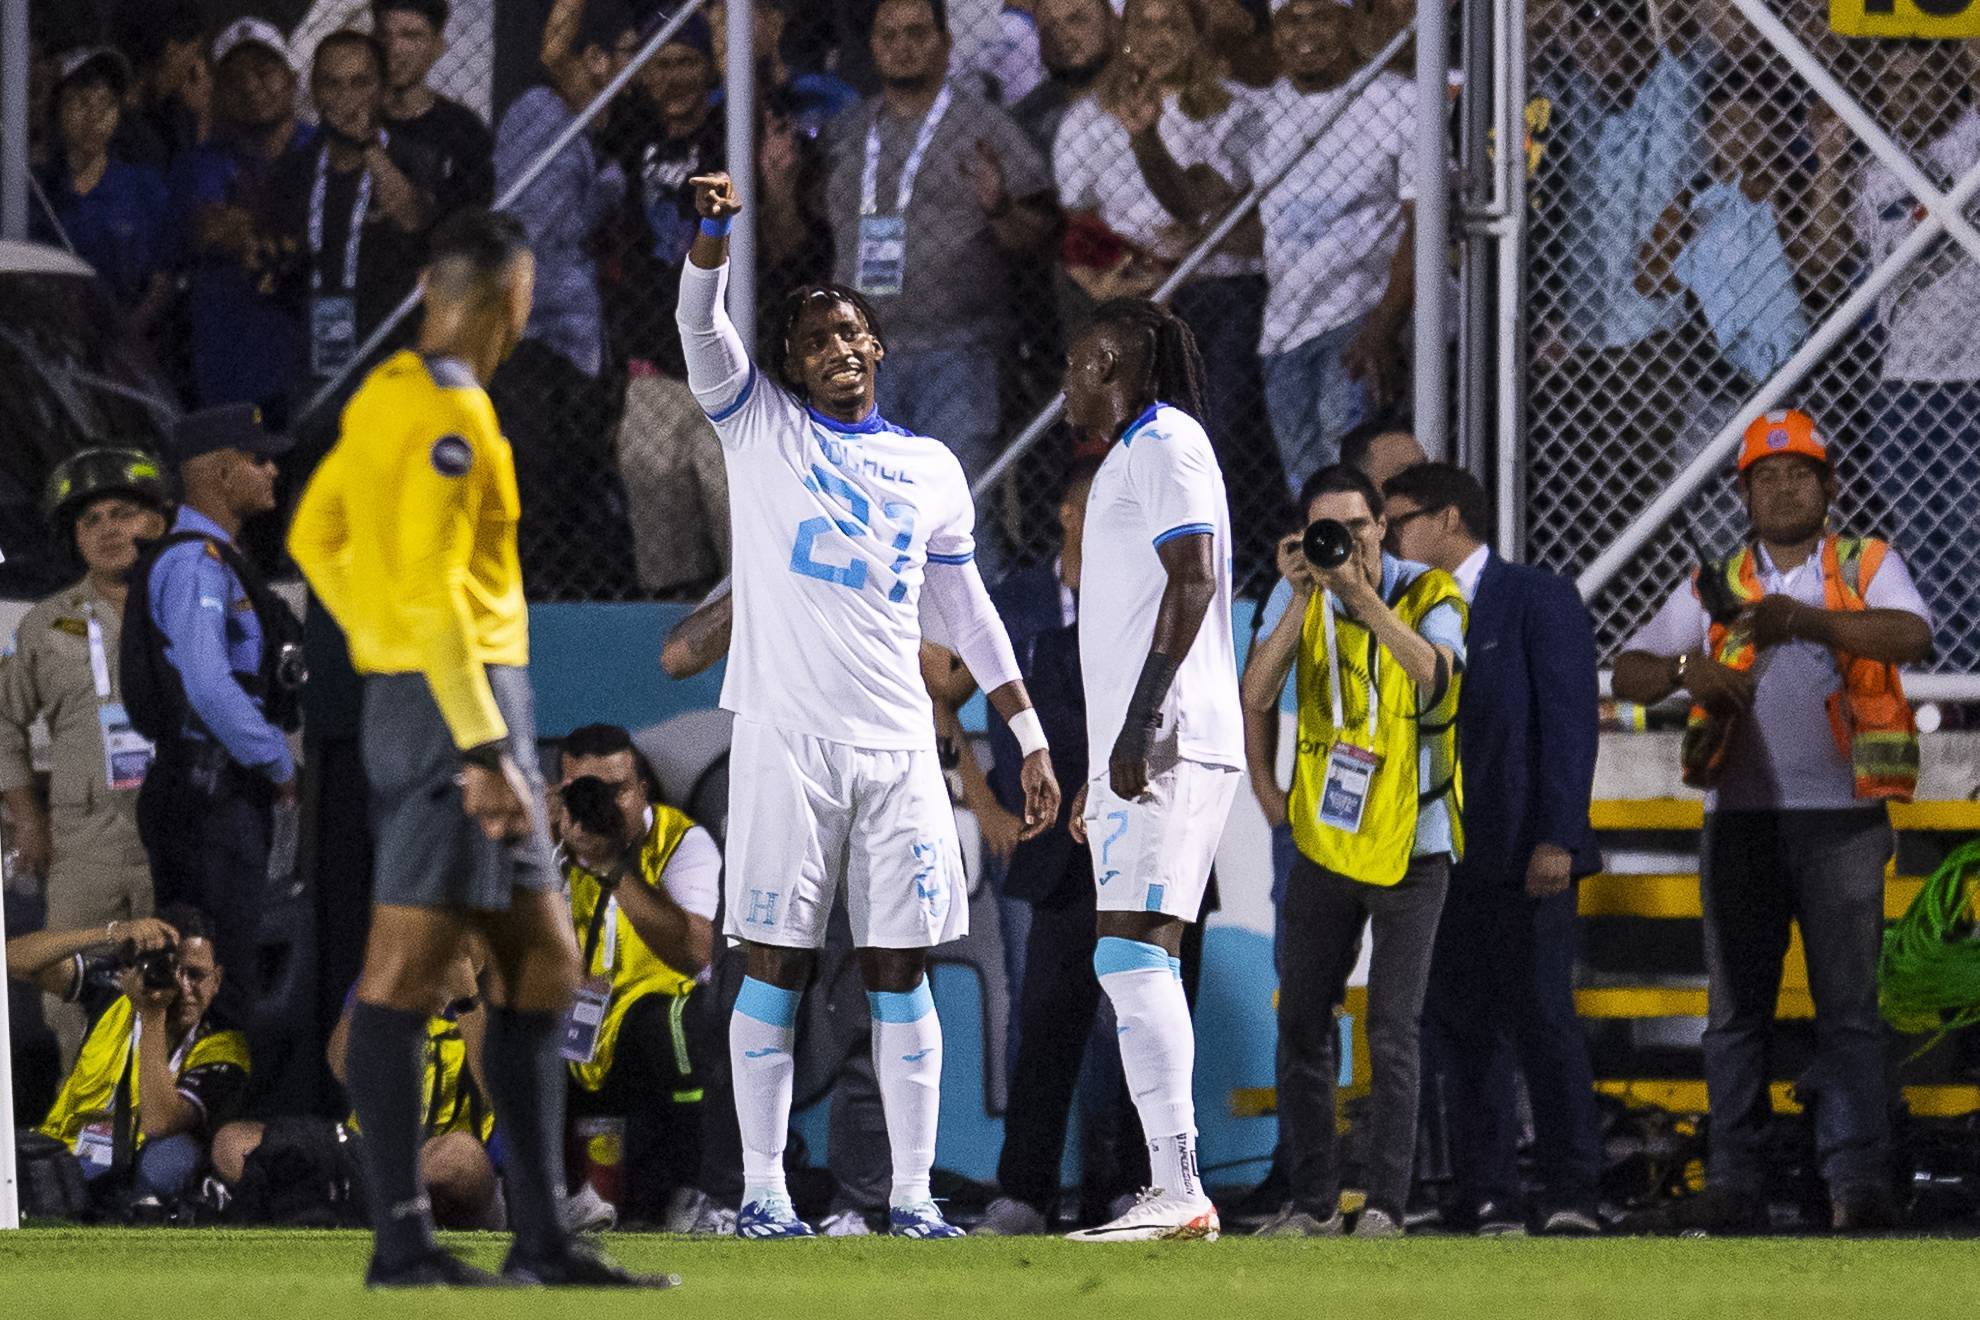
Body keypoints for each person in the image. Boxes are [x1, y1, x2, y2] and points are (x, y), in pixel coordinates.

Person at [286, 208, 670, 1288]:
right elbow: (446, 592)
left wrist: (381, 639)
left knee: (542, 965)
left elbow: (317, 533)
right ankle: (403, 1240)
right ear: (513, 296)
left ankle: (541, 1239)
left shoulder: (384, 400)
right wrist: (485, 745)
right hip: (461, 713)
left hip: (428, 695)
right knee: (404, 977)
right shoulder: (455, 412)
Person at [676, 168, 1060, 1239]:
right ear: (789, 368)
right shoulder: (757, 430)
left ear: (878, 347)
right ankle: (760, 1192)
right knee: (776, 963)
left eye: (852, 331)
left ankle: (910, 1197)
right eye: (814, 339)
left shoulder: (932, 468)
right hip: (786, 743)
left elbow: (968, 609)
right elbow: (698, 325)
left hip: (899, 752)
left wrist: (1025, 730)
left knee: (902, 971)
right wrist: (710, 233)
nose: (838, 346)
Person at [1612, 409, 1933, 1234]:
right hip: (1743, 821)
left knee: (1850, 1010)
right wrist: (1691, 667)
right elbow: (1631, 672)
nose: (1784, 487)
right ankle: (1735, 1182)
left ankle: (1857, 1184)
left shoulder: (1864, 563)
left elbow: (1912, 635)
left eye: (1799, 473)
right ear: (1744, 493)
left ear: (1829, 486)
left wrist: (1811, 622)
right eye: (1767, 475)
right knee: (1735, 1014)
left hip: (1845, 821)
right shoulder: (1714, 585)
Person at [1054, 298, 1241, 1244]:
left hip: (1167, 737)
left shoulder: (1167, 442)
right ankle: (1174, 1188)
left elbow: (1196, 577)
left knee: (1131, 955)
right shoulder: (1139, 450)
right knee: (1136, 956)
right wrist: (1103, 758)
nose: (1063, 386)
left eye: (1073, 364)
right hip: (1153, 739)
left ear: (1108, 362)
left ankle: (1178, 1188)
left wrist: (1138, 725)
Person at [1240, 463, 1465, 1239]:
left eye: (1359, 527)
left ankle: (1385, 1209)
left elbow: (1435, 682)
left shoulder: (1431, 592)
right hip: (1326, 842)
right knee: (1302, 1019)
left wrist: (1362, 598)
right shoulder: (1300, 590)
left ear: (1383, 527)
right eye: (1325, 530)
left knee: (1392, 1030)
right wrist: (1306, 592)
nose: (1345, 542)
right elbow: (1258, 690)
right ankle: (1309, 1204)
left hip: (1414, 843)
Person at [1382, 462, 1605, 1237]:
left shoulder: (1536, 597)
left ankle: (1573, 1189)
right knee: (1460, 1027)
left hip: (1523, 855)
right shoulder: (1402, 608)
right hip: (1439, 857)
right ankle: (1488, 1193)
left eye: (1398, 519)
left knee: (1543, 1020)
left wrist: (1560, 838)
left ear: (1448, 520)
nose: (1386, 535)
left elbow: (1570, 725)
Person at [1051, 0, 1279, 574]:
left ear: (1198, 33)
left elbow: (1257, 225)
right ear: (1124, 35)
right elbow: (1077, 225)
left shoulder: (1241, 111)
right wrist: (1112, 276)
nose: (1156, 38)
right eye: (1143, 24)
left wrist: (1198, 243)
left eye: (1172, 24)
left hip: (1216, 293)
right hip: (1125, 300)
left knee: (1214, 433)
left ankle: (1222, 561)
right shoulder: (1087, 119)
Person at [823, 0, 1057, 482]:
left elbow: (1038, 237)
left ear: (946, 44)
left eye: (916, 33)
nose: (902, 47)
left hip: (959, 355)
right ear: (872, 47)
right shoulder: (844, 133)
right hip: (861, 356)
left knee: (960, 518)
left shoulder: (985, 127)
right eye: (889, 35)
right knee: (872, 521)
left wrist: (999, 208)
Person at [131, 405, 301, 1033]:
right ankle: (196, 1125)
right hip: (206, 799)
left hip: (214, 795)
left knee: (220, 981)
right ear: (224, 475)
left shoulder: (219, 558)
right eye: (259, 458)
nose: (273, 470)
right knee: (210, 986)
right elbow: (207, 683)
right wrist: (276, 760)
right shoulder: (195, 563)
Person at [1, 451, 173, 1065]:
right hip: (84, 837)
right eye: (89, 520)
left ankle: (171, 1133)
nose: (106, 530)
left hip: (174, 831)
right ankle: (88, 1137)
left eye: (122, 512)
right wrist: (26, 815)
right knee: (69, 990)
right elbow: (3, 721)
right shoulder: (47, 625)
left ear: (157, 518)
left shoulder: (187, 606)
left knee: (176, 981)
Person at [1234, 0, 1417, 494]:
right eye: (1292, 18)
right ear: (1274, 32)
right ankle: (1324, 574)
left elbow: (1423, 228)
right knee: (1306, 485)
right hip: (1284, 332)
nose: (1305, 32)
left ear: (1352, 23)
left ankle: (1372, 572)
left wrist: (1383, 325)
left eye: (1322, 16)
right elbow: (1207, 203)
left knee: (1351, 479)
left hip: (1360, 317)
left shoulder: (1399, 101)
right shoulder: (1260, 112)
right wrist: (1145, 140)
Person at [490, 0, 639, 597]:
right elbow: (535, 227)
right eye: (627, 51)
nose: (637, 67)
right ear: (597, 59)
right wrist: (606, 191)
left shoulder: (587, 123)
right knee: (541, 501)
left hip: (572, 354)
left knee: (571, 501)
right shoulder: (541, 111)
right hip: (539, 345)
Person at [1844, 39, 1980, 662]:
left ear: (1949, 80)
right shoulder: (1877, 167)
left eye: (1919, 81)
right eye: (1893, 84)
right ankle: (1947, 679)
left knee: (1970, 538)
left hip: (1969, 375)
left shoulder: (1970, 142)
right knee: (1923, 546)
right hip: (1903, 385)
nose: (1906, 98)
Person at [553, 723, 720, 1225]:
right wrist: (533, 846)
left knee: (674, 1022)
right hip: (571, 1022)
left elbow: (694, 953)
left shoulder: (681, 842)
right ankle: (546, 1195)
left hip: (648, 1035)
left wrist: (613, 869)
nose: (602, 805)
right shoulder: (548, 846)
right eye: (585, 792)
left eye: (617, 790)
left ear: (642, 790)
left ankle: (695, 1190)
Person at [210, 957, 497, 1230]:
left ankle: (330, 1201)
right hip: (361, 1157)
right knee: (232, 1141)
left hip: (446, 1174)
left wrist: (465, 999)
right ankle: (349, 1201)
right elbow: (342, 1067)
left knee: (461, 1157)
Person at [14, 907, 248, 1208]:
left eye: (196, 975)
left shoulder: (224, 1046)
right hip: (65, 1149)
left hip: (135, 1172)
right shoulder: (118, 994)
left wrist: (152, 1017)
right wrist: (110, 933)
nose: (185, 987)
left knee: (174, 1158)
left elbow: (160, 1123)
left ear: (216, 981)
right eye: (172, 971)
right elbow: (13, 959)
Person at [258, 30, 440, 389]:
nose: (346, 98)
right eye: (332, 84)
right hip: (309, 356)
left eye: (360, 83)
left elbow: (412, 219)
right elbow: (271, 260)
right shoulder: (292, 171)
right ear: (314, 90)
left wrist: (368, 145)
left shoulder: (412, 160)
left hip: (390, 354)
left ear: (382, 91)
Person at [167, 18, 312, 410]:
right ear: (217, 92)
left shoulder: (324, 149)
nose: (251, 86)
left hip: (313, 368)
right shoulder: (200, 164)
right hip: (231, 377)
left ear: (293, 79)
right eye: (235, 78)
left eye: (265, 73)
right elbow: (208, 226)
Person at [36, 48, 177, 336]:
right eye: (80, 102)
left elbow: (162, 280)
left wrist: (125, 336)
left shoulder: (144, 189)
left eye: (107, 104)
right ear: (56, 109)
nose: (94, 117)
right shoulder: (33, 190)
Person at [372, 0, 495, 213]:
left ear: (438, 46)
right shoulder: (354, 115)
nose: (394, 48)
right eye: (385, 35)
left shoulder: (463, 129)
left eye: (411, 36)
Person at [1011, 0, 1116, 155]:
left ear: (1112, 23)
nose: (1062, 36)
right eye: (1048, 29)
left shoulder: (1155, 83)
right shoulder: (1025, 121)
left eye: (1076, 19)